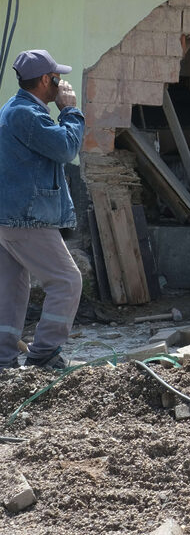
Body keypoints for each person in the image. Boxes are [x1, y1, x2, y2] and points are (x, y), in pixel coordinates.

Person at [0, 49, 85, 370]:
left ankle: (3, 359)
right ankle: (45, 353)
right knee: (66, 281)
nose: (61, 84)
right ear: (46, 80)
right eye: (57, 78)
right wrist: (71, 111)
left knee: (11, 289)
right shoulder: (27, 114)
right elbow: (65, 148)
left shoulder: (14, 108)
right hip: (27, 217)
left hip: (10, 216)